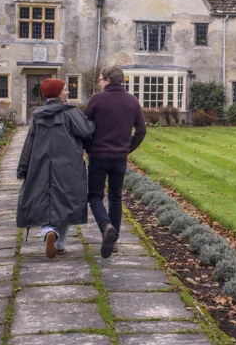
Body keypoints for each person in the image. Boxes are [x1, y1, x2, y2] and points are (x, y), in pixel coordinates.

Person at [16, 79, 94, 258]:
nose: (68, 92)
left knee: (45, 201)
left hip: (41, 166)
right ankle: (59, 245)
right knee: (65, 202)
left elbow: (29, 143)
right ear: (57, 93)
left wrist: (23, 168)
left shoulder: (38, 115)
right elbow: (86, 131)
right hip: (68, 166)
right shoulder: (71, 112)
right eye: (65, 90)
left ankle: (48, 231)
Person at [84, 65, 146, 258]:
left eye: (101, 79)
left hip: (98, 156)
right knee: (115, 197)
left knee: (95, 196)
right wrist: (128, 148)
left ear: (108, 80)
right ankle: (114, 241)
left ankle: (106, 227)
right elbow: (141, 130)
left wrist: (88, 147)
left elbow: (84, 127)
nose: (99, 83)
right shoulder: (132, 101)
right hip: (119, 157)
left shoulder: (96, 100)